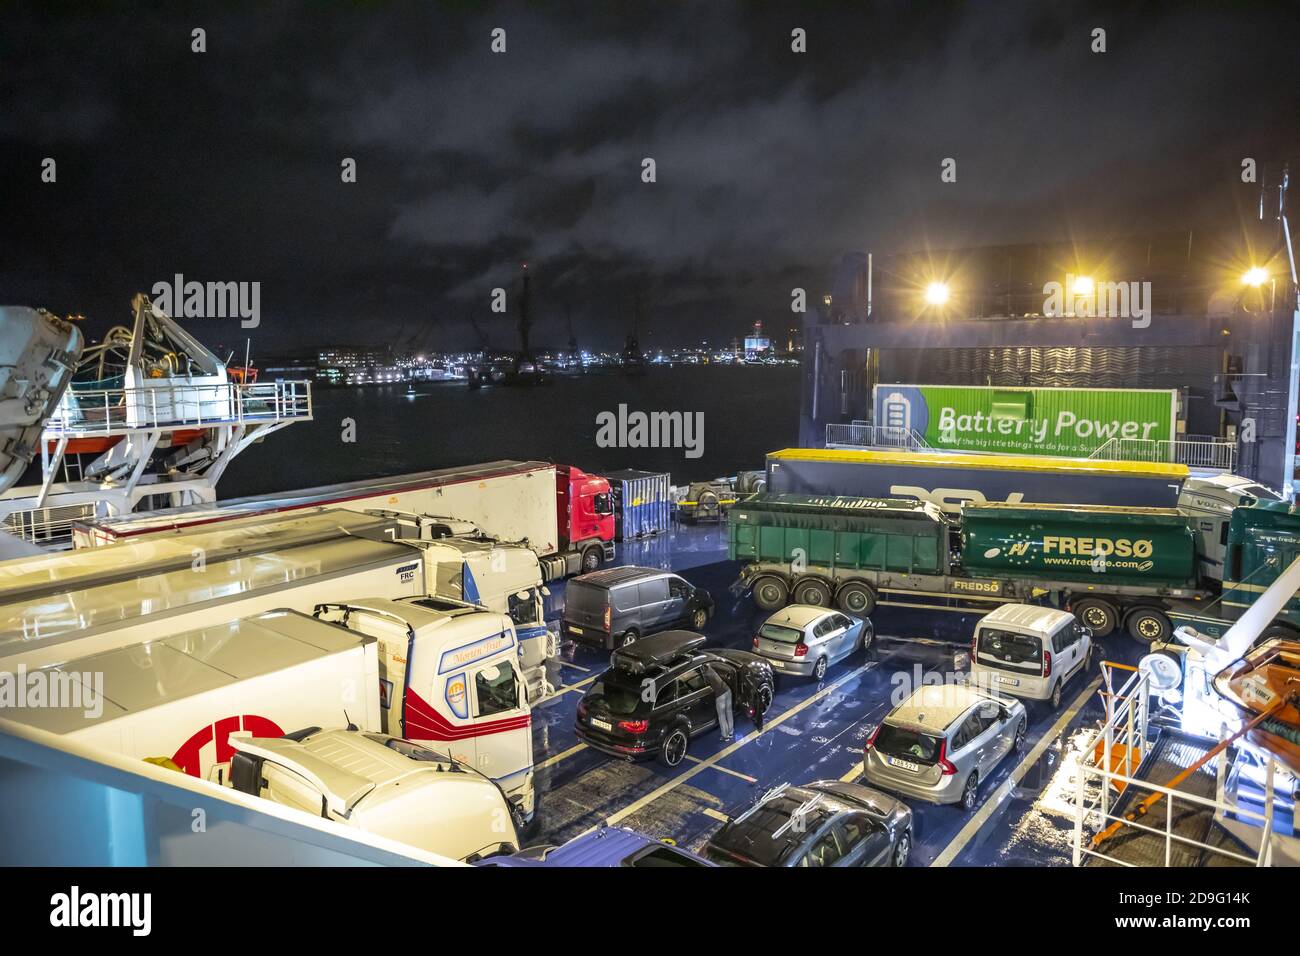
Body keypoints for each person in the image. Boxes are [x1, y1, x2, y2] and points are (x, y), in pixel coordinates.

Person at [703, 664, 733, 742]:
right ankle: (731, 732)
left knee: (721, 716)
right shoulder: (710, 668)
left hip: (720, 695)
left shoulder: (705, 675)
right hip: (727, 690)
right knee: (729, 712)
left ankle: (725, 736)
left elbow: (705, 686)